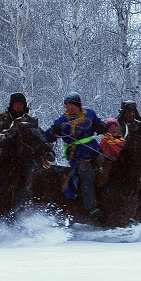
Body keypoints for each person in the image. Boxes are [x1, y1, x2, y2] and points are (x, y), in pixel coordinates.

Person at [45, 93, 107, 221]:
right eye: (67, 105)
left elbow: (99, 124)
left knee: (109, 168)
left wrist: (100, 126)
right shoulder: (62, 120)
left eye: (71, 105)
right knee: (87, 174)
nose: (69, 108)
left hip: (94, 151)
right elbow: (48, 136)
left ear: (78, 105)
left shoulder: (90, 114)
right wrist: (53, 132)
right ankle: (91, 207)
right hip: (78, 155)